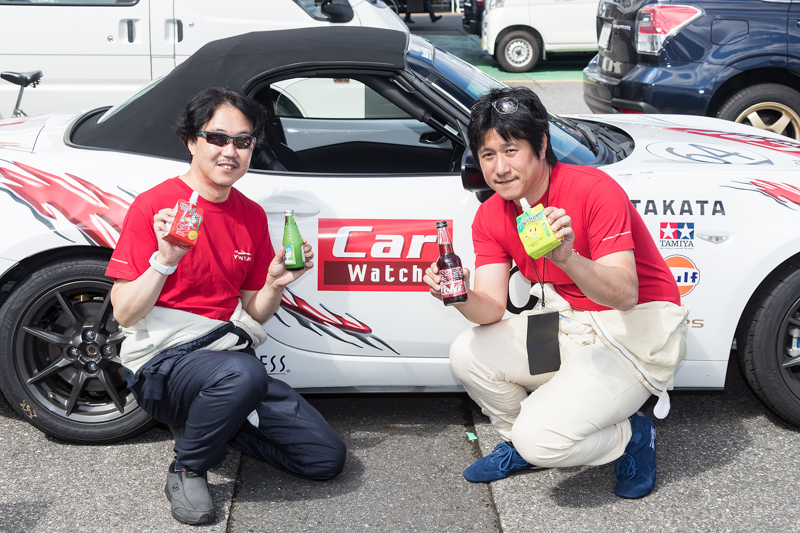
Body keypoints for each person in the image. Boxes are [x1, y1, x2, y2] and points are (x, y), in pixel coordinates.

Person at [424, 86, 688, 499]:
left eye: (511, 150)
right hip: (569, 323)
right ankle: (522, 445)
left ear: (542, 145)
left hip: (633, 333)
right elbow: (490, 309)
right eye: (488, 154)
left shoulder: (593, 189)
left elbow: (625, 295)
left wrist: (567, 258)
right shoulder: (491, 214)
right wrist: (456, 295)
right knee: (467, 354)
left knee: (542, 438)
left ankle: (632, 435)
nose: (499, 167)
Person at [107, 86, 346, 525]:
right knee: (245, 372)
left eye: (243, 141)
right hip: (162, 365)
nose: (230, 151)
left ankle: (214, 424)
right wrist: (164, 261)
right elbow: (123, 312)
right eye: (217, 138)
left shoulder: (250, 215)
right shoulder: (156, 206)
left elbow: (254, 313)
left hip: (225, 364)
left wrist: (274, 284)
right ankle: (188, 466)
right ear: (191, 141)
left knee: (324, 459)